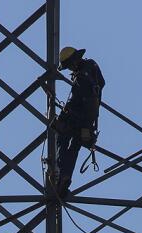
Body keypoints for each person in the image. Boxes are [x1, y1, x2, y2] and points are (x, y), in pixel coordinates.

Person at [52, 46, 104, 199]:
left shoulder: (81, 78)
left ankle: (61, 175)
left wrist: (61, 118)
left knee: (61, 138)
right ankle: (65, 178)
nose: (70, 69)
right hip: (90, 118)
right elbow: (102, 83)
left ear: (74, 61)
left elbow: (73, 101)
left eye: (69, 65)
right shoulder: (92, 66)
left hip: (80, 117)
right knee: (74, 146)